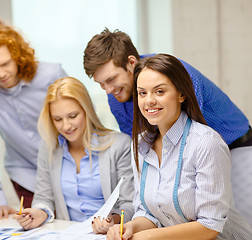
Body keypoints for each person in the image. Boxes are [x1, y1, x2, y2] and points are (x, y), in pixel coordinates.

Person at [106, 54, 252, 240]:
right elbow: (149, 212)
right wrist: (130, 227)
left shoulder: (206, 142)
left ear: (181, 94)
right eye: (142, 93)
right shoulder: (140, 144)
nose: (149, 100)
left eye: (159, 92)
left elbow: (210, 226)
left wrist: (149, 237)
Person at [0, 19, 67, 219]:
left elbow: (83, 118)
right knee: (36, 229)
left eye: (5, 64)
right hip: (24, 175)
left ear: (17, 56)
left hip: (67, 168)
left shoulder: (51, 74)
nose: (0, 74)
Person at [83, 28, 252, 149]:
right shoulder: (116, 96)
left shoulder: (174, 74)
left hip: (237, 144)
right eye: (101, 83)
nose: (108, 90)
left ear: (131, 62)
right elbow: (139, 145)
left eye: (111, 79)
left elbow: (190, 138)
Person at [13, 77, 134, 234]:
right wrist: (39, 213)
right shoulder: (49, 148)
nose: (66, 126)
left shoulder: (119, 145)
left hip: (107, 235)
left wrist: (113, 220)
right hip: (69, 234)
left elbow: (129, 203)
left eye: (72, 116)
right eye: (58, 119)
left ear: (87, 111)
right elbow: (44, 197)